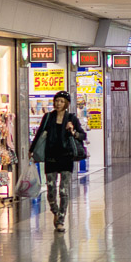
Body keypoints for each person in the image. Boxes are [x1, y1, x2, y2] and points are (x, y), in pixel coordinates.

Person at [28, 90, 86, 232]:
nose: (58, 103)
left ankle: (60, 220)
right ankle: (55, 211)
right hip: (51, 156)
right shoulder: (48, 117)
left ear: (66, 103)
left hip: (66, 157)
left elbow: (82, 135)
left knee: (64, 190)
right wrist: (32, 150)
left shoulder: (72, 118)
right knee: (51, 190)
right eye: (56, 101)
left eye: (61, 101)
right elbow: (39, 134)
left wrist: (72, 131)